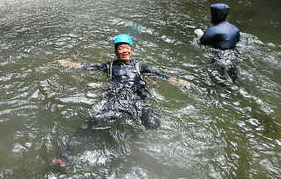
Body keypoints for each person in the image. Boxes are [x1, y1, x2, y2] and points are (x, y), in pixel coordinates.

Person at [53, 34, 186, 166]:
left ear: (132, 50)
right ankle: (66, 154)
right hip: (116, 99)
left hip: (137, 99)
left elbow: (156, 74)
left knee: (153, 124)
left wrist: (174, 79)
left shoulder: (140, 66)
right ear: (116, 51)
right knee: (94, 121)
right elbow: (88, 67)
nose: (124, 51)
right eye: (121, 48)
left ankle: (135, 146)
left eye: (127, 48)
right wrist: (69, 64)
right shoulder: (109, 66)